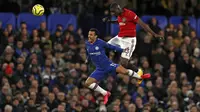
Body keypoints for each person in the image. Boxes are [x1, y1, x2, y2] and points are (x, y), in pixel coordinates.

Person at [84, 28, 151, 105]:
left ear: (96, 36)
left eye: (91, 35)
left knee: (125, 71)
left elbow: (111, 47)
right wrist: (87, 59)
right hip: (99, 69)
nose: (89, 36)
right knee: (87, 83)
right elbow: (89, 53)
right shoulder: (87, 44)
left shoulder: (100, 42)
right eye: (89, 34)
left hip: (108, 65)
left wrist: (122, 50)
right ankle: (105, 93)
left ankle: (140, 77)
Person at [102, 2, 164, 76]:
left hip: (129, 40)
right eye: (112, 12)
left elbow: (143, 25)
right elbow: (119, 21)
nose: (113, 14)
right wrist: (110, 21)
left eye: (114, 12)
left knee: (124, 63)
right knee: (104, 46)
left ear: (118, 9)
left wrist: (154, 34)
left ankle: (139, 71)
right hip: (119, 37)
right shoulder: (119, 15)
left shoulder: (130, 14)